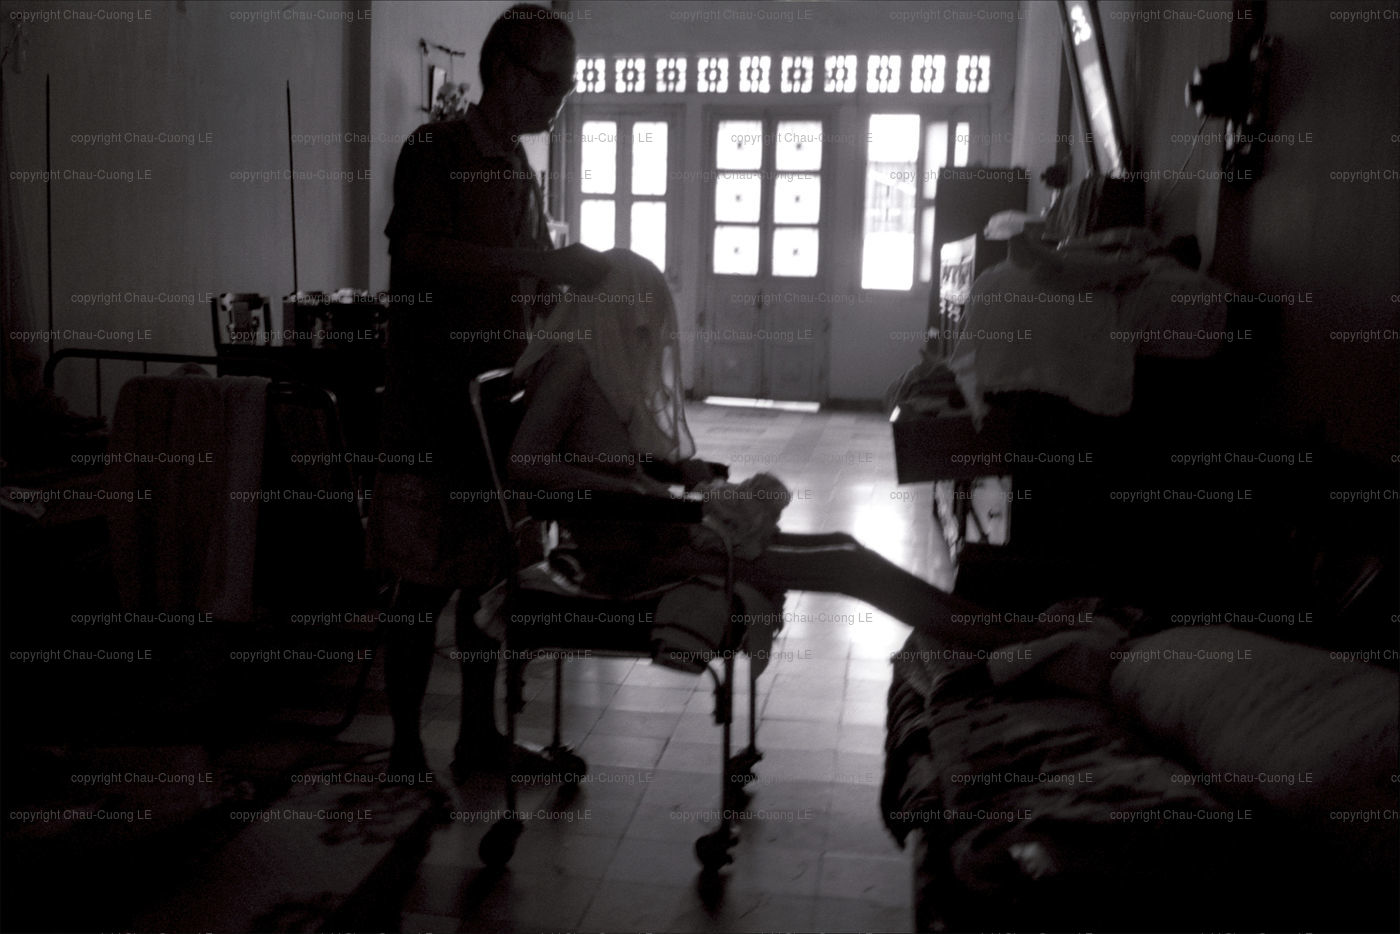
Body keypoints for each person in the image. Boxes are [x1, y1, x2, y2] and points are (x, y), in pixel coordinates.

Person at [509, 249, 1040, 651]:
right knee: (845, 566)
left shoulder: (595, 366)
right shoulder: (570, 364)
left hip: (652, 530)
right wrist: (637, 493)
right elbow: (525, 464)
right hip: (625, 558)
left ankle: (1000, 630)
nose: (645, 336)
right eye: (640, 322)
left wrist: (668, 476)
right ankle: (1005, 640)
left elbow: (600, 458)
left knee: (844, 546)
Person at [368, 4, 609, 777]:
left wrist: (572, 289)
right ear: (504, 70)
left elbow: (524, 272)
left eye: (568, 86)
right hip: (429, 413)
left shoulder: (516, 164)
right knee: (419, 587)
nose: (560, 99)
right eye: (552, 82)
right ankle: (406, 754)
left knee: (485, 584)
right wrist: (536, 263)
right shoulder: (434, 150)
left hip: (493, 418)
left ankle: (478, 738)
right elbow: (422, 255)